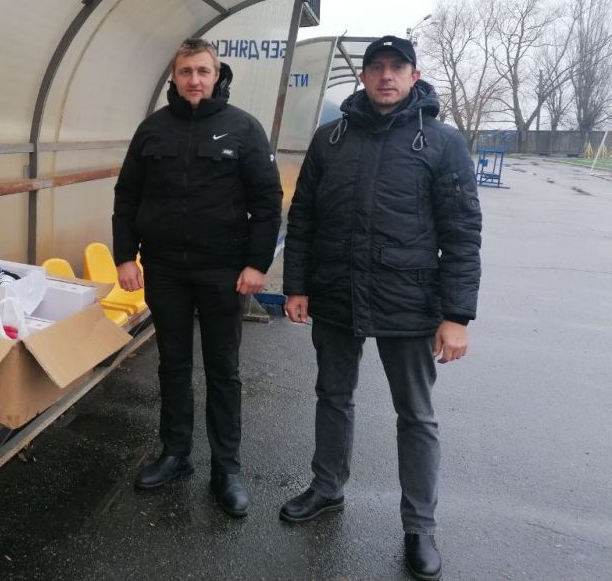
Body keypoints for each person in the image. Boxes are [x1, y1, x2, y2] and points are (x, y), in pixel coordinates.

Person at [279, 36, 482, 581]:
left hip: (409, 300)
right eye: (377, 68)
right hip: (336, 292)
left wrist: (456, 315)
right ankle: (327, 488)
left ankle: (420, 526)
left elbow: (462, 232)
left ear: (414, 76)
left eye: (397, 68)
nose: (386, 76)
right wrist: (296, 286)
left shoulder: (441, 142)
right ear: (363, 77)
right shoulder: (331, 138)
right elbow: (303, 217)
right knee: (333, 396)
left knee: (415, 414)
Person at [112, 38, 282, 518]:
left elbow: (267, 201)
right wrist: (125, 256)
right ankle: (175, 454)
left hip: (223, 271)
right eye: (186, 71)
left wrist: (257, 264)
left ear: (217, 74)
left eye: (203, 71)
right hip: (164, 268)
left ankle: (226, 469)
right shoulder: (152, 130)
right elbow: (127, 195)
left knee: (223, 369)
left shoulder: (243, 128)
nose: (194, 80)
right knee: (173, 364)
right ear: (174, 76)